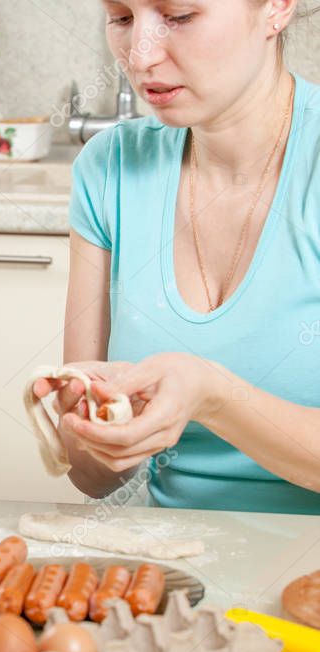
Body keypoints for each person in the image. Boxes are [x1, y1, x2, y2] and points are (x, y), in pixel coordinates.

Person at [33, 0, 320, 513]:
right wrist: (99, 421)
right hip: (186, 569)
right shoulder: (111, 166)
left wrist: (212, 397)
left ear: (276, 8)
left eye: (179, 16)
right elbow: (91, 478)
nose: (139, 56)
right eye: (121, 18)